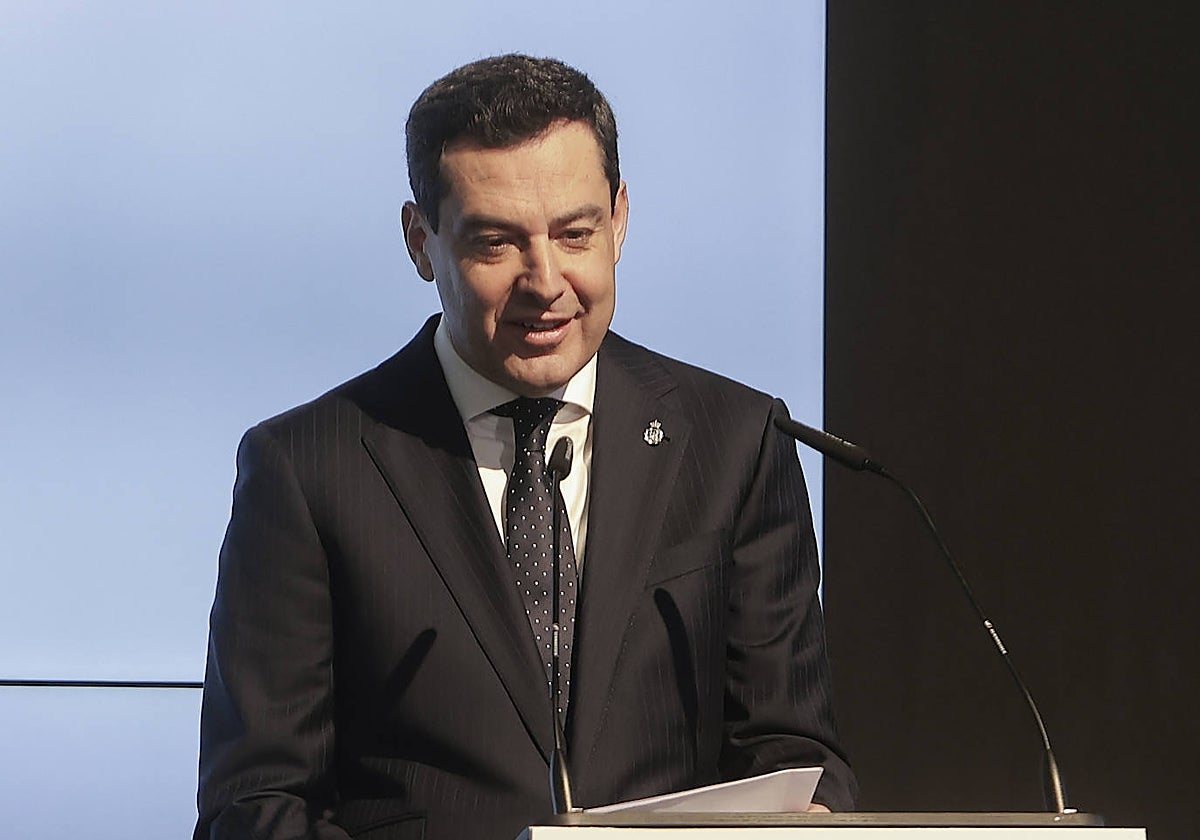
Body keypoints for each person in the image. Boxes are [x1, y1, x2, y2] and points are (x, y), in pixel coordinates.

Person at [195, 54, 855, 840]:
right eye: (496, 244)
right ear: (420, 242)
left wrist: (814, 817)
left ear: (620, 220)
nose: (546, 282)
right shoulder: (308, 469)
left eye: (575, 233)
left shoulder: (735, 442)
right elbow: (255, 806)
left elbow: (794, 753)